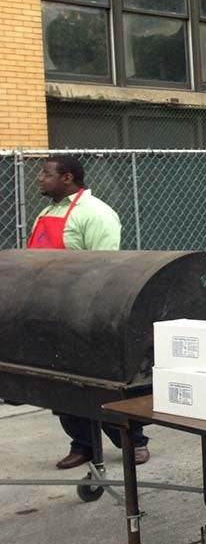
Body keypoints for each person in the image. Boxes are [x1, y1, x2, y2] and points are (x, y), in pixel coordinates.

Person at [28, 155, 151, 468]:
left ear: (67, 177)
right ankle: (84, 445)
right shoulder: (47, 212)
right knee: (62, 386)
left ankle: (132, 440)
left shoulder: (96, 214)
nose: (40, 179)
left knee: (100, 384)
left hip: (83, 315)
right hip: (48, 312)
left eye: (46, 173)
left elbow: (105, 269)